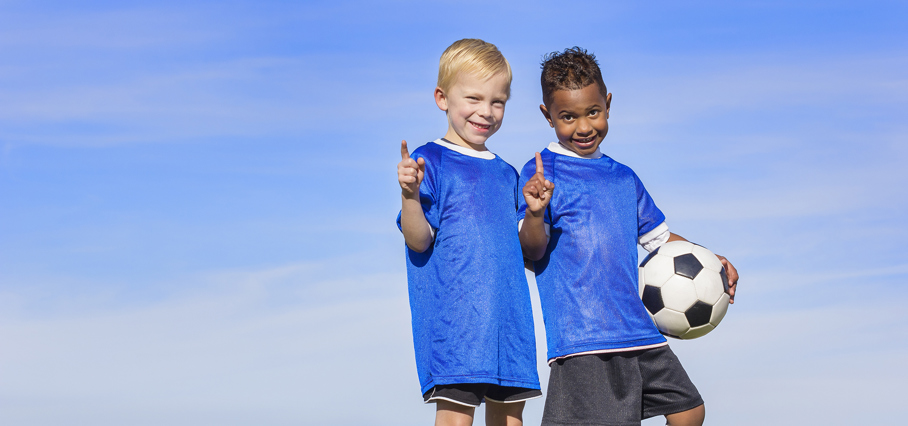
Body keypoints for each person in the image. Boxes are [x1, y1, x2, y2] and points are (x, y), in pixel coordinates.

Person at [518, 47, 740, 426]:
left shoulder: (623, 178)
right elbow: (531, 250)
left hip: (638, 329)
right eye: (567, 117)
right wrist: (536, 212)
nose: (584, 126)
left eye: (593, 112)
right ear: (547, 115)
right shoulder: (543, 173)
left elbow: (661, 240)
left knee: (689, 410)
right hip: (586, 338)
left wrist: (710, 258)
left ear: (607, 104)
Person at [397, 38, 541, 426]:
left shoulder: (508, 173)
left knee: (510, 419)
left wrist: (535, 214)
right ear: (442, 98)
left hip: (509, 327)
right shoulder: (433, 161)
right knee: (456, 420)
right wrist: (410, 195)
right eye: (474, 98)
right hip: (456, 330)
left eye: (498, 102)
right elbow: (418, 239)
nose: (486, 111)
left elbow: (524, 251)